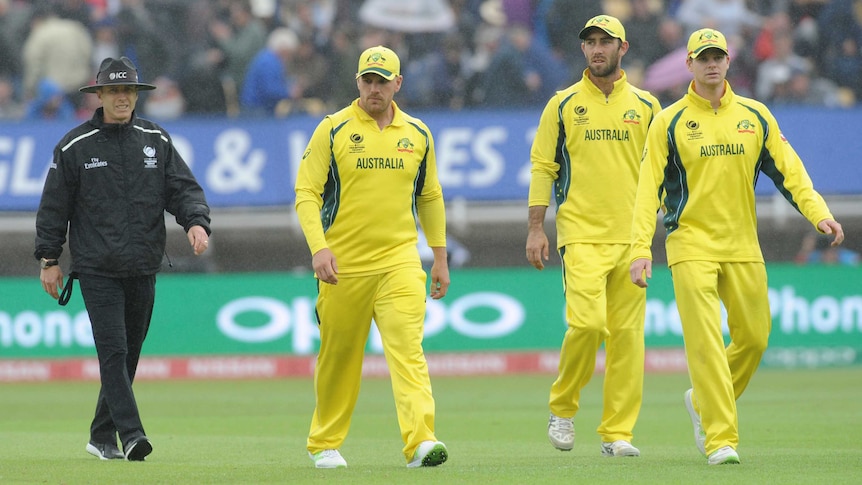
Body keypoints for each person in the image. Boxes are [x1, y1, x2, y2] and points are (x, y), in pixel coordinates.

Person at [628, 28, 844, 466]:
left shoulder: (755, 115)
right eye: (702, 57)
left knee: (755, 338)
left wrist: (818, 212)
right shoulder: (668, 122)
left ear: (728, 62)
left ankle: (703, 402)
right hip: (690, 244)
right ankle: (720, 438)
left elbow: (791, 171)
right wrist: (639, 249)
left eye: (718, 56)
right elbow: (646, 190)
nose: (711, 63)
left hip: (743, 243)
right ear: (688, 64)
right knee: (706, 342)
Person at [35, 56, 211, 462]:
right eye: (114, 90)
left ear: (136, 95)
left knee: (128, 354)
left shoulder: (156, 140)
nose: (122, 98)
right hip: (96, 268)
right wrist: (49, 258)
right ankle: (131, 435)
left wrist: (196, 223)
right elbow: (53, 207)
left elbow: (183, 189)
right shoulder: (75, 145)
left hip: (144, 264)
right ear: (99, 95)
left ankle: (100, 436)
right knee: (113, 352)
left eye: (128, 90)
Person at [294, 45, 450, 469]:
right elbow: (306, 193)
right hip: (342, 265)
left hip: (400, 261)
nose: (375, 88)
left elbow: (430, 195)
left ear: (398, 83)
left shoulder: (417, 133)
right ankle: (324, 442)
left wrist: (439, 256)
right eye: (368, 80)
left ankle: (421, 441)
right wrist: (319, 247)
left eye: (383, 80)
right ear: (357, 82)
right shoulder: (333, 129)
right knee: (339, 358)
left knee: (407, 349)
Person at [526, 15, 660, 458]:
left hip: (632, 239)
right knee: (587, 324)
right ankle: (562, 408)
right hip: (580, 235)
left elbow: (664, 171)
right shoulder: (562, 105)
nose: (597, 49)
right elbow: (544, 166)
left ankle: (617, 433)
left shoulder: (646, 106)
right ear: (583, 50)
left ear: (623, 48)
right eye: (590, 43)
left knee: (627, 338)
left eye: (606, 42)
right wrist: (535, 229)